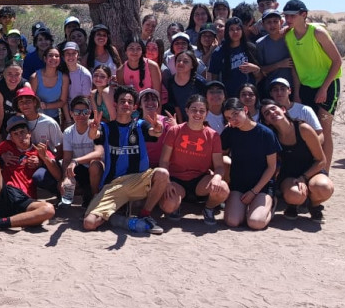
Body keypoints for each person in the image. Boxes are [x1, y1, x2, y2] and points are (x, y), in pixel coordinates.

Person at [82, 86, 169, 234]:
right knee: (89, 223)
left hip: (138, 180)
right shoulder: (106, 127)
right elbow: (94, 135)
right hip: (114, 184)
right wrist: (92, 129)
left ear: (135, 106)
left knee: (162, 173)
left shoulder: (140, 125)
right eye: (122, 101)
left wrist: (158, 129)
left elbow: (154, 132)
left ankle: (145, 215)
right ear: (115, 104)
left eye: (130, 102)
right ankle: (125, 221)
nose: (126, 104)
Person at [283, 0, 342, 165]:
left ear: (304, 15)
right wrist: (297, 92)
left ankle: (325, 171)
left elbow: (337, 61)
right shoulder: (288, 36)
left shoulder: (317, 32)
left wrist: (324, 88)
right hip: (306, 85)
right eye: (286, 16)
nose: (288, 19)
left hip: (328, 84)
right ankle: (313, 168)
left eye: (292, 16)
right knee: (309, 128)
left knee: (325, 129)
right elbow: (295, 66)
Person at [158, 95, 229, 225]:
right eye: (194, 109)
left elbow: (219, 166)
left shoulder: (213, 136)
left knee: (223, 189)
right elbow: (164, 161)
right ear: (187, 110)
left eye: (202, 111)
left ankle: (208, 208)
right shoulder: (175, 131)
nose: (197, 113)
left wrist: (217, 177)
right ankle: (176, 205)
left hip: (200, 180)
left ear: (207, 113)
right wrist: (167, 182)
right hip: (176, 179)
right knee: (168, 205)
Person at [260, 100, 334, 221]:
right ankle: (292, 205)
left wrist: (303, 178)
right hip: (288, 176)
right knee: (295, 194)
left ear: (283, 109)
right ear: (267, 121)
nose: (272, 113)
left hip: (312, 171)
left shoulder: (303, 129)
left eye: (274, 108)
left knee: (324, 187)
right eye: (267, 113)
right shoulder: (272, 136)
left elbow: (321, 160)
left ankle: (314, 205)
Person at [220, 97, 279, 230]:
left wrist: (254, 191)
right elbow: (220, 155)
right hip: (239, 183)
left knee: (255, 222)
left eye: (235, 114)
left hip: (261, 185)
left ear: (245, 110)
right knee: (232, 221)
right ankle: (244, 207)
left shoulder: (266, 133)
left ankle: (271, 204)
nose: (233, 119)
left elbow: (272, 167)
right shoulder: (230, 132)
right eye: (229, 118)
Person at [60, 95, 105, 202]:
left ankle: (95, 196)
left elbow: (99, 153)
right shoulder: (68, 132)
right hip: (79, 168)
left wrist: (75, 161)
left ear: (89, 113)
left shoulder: (96, 128)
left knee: (95, 165)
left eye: (85, 112)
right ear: (71, 113)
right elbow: (67, 159)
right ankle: (84, 191)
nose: (81, 115)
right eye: (77, 112)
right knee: (63, 182)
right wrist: (65, 178)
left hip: (96, 168)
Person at [208, 16, 261, 97]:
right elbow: (213, 79)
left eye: (238, 29)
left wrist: (256, 69)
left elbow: (260, 76)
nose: (235, 32)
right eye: (231, 29)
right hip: (230, 97)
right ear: (227, 32)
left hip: (249, 96)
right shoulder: (218, 52)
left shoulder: (251, 48)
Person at [254, 8, 294, 97]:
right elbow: (261, 70)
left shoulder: (291, 37)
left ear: (281, 22)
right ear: (263, 25)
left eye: (275, 21)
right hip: (271, 89)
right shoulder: (260, 44)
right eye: (268, 22)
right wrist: (279, 64)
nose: (272, 25)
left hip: (291, 88)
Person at [29, 46, 70, 125]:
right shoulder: (35, 77)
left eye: (57, 56)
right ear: (45, 59)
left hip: (54, 119)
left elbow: (63, 101)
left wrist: (46, 106)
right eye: (50, 55)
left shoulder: (64, 78)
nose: (54, 58)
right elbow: (30, 100)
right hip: (36, 119)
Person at [163, 50, 206, 123]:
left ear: (192, 65)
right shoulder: (170, 81)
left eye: (185, 61)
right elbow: (176, 106)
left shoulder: (200, 82)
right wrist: (181, 124)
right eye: (178, 60)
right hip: (182, 121)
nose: (180, 63)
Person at [117, 36, 162, 103]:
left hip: (150, 106)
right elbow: (122, 97)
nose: (135, 52)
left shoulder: (152, 67)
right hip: (132, 109)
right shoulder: (120, 71)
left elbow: (158, 96)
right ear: (126, 51)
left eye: (138, 48)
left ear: (142, 51)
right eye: (131, 48)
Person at [0, 59, 27, 139]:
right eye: (9, 74)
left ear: (22, 73)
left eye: (17, 74)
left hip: (18, 118)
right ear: (3, 73)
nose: (13, 78)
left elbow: (23, 111)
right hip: (0, 121)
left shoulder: (25, 86)